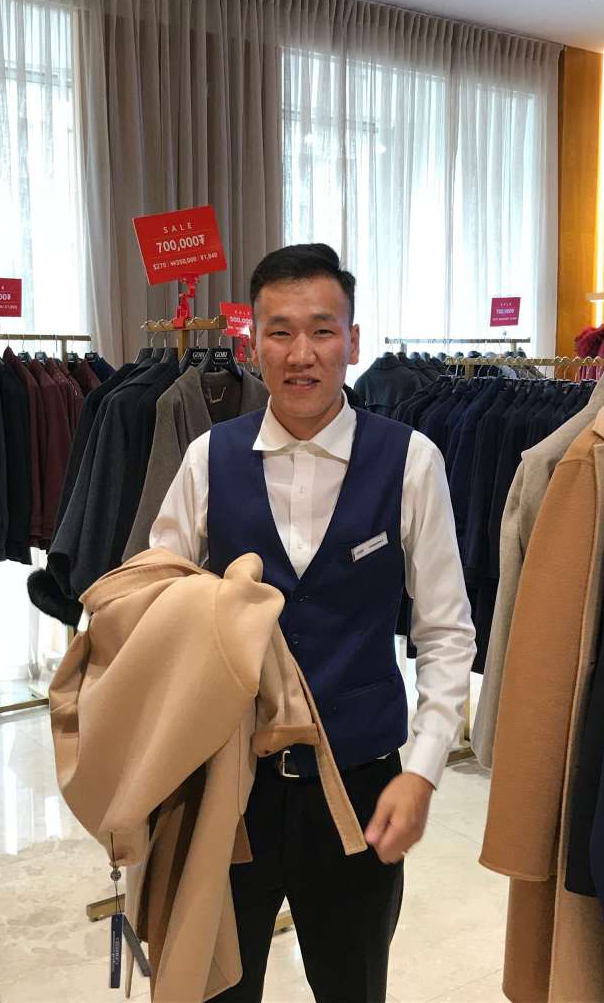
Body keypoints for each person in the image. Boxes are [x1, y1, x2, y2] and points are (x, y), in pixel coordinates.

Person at [150, 243, 476, 1002]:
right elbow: (156, 609)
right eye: (281, 331)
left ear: (353, 341)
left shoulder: (411, 461)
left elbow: (444, 630)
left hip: (359, 785)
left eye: (323, 330)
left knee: (352, 984)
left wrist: (424, 768)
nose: (302, 354)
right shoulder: (207, 458)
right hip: (229, 786)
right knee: (215, 985)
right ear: (251, 343)